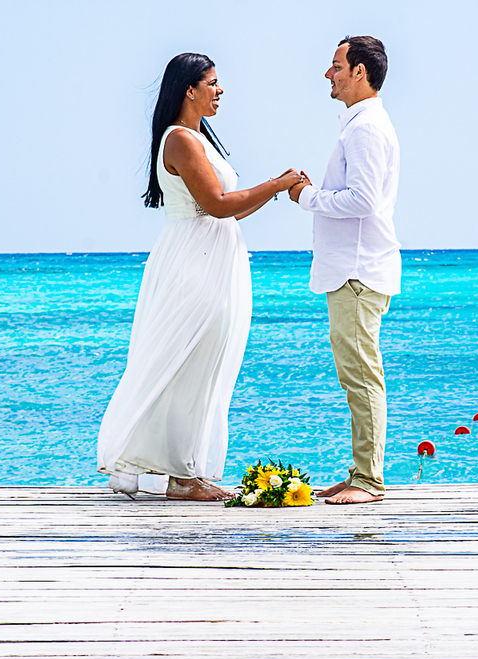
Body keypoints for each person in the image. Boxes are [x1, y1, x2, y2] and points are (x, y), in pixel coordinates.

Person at [97, 53, 305, 501]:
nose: (220, 89)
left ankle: (183, 469)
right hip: (195, 262)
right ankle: (177, 476)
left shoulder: (199, 138)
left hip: (212, 254)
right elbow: (215, 204)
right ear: (190, 89)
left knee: (203, 362)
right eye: (213, 82)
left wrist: (275, 192)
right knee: (187, 361)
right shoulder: (181, 140)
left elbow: (230, 209)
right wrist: (274, 182)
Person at [290, 36, 400, 505]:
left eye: (336, 65)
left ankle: (369, 481)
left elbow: (364, 199)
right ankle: (360, 472)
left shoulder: (366, 128)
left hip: (357, 271)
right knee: (355, 373)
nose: (328, 74)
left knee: (360, 374)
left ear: (359, 71)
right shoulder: (359, 125)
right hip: (352, 269)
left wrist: (307, 197)